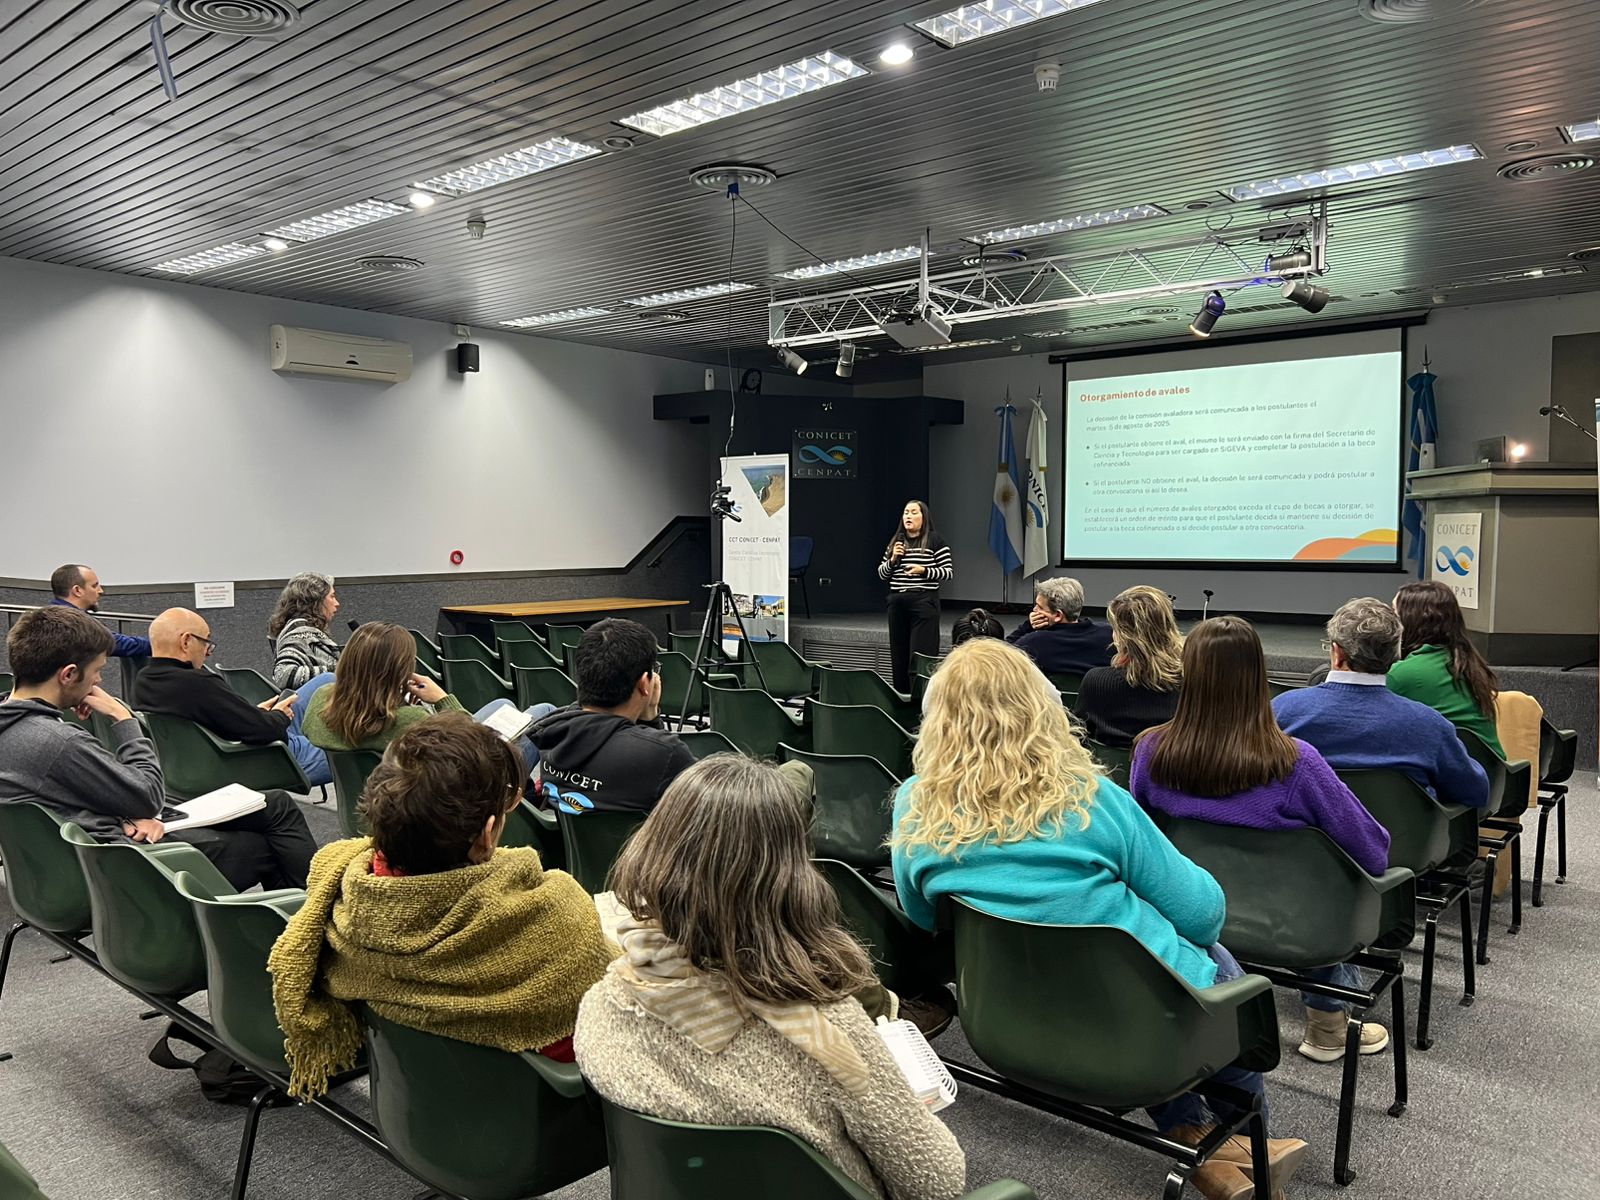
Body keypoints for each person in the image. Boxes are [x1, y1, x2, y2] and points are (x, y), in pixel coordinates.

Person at [891, 638, 1306, 1200]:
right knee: (1213, 962)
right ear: (1041, 708)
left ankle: (1195, 1133)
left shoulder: (915, 804)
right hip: (1132, 1023)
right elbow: (1205, 915)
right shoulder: (1093, 800)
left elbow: (923, 916)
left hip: (1004, 1018)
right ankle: (1245, 1139)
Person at [577, 754, 967, 1200]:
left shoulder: (603, 1006)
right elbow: (938, 1182)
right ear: (793, 878)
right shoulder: (830, 1038)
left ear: (652, 849)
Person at [269, 713, 615, 1100]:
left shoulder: (344, 899)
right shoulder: (558, 916)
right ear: (487, 836)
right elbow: (601, 1026)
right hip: (544, 1112)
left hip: (415, 1106)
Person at [1131, 616, 1393, 1067]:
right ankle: (1327, 1022)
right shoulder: (1297, 762)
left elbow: (1143, 842)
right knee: (1324, 880)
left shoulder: (1149, 750)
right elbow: (1372, 850)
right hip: (1292, 929)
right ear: (1258, 676)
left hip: (1188, 915)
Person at [0, 605, 317, 891]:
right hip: (123, 872)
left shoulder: (14, 728)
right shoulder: (58, 742)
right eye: (97, 671)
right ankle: (310, 921)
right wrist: (123, 718)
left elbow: (60, 801)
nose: (98, 682)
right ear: (69, 675)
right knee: (267, 844)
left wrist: (125, 816)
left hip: (55, 876)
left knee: (269, 819)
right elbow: (148, 797)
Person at [1273, 598, 1489, 809]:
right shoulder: (1429, 725)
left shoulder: (1281, 712)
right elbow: (1475, 792)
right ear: (1395, 654)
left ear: (1337, 653)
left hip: (1309, 833)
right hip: (1403, 834)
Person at [303, 621, 546, 776]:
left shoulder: (321, 699)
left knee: (504, 705)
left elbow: (330, 726)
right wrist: (442, 699)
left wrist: (398, 702)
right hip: (456, 791)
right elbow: (472, 744)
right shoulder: (410, 720)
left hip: (373, 801)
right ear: (400, 671)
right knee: (542, 712)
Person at [134, 608, 333, 788]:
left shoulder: (144, 681)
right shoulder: (198, 683)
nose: (208, 652)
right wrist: (280, 716)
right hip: (270, 755)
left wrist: (260, 712)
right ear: (186, 641)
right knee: (350, 745)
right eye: (206, 642)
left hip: (226, 750)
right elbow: (263, 731)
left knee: (327, 679)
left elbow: (225, 719)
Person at [529, 618, 696, 815]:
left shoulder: (551, 731)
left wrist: (648, 719)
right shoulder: (667, 753)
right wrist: (652, 718)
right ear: (645, 684)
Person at [1388, 581, 1504, 757]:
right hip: (1491, 768)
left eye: (1394, 614)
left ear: (1410, 621)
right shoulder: (1465, 662)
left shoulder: (1405, 673)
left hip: (1455, 769)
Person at [1074, 585, 1184, 746]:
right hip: (1170, 762)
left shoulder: (1096, 681)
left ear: (1121, 637)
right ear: (1168, 628)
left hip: (1106, 763)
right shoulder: (1190, 681)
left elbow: (1079, 735)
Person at [877, 500, 953, 694]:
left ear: (923, 517)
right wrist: (893, 559)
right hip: (897, 604)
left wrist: (924, 570)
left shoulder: (935, 540)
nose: (908, 516)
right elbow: (882, 574)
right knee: (899, 655)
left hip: (923, 602)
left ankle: (921, 698)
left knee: (920, 655)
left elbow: (947, 572)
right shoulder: (896, 542)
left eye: (913, 512)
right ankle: (902, 696)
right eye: (906, 513)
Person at [1005, 576, 1114, 677]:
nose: (1034, 610)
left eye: (1039, 607)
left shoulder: (1034, 642)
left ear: (1058, 615)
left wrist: (1028, 625)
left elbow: (1001, 654)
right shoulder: (1110, 634)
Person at [49, 563, 150, 657]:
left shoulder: (49, 617)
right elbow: (120, 644)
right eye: (94, 586)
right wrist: (157, 643)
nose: (101, 591)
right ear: (77, 590)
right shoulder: (75, 624)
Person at [268, 572, 341, 689]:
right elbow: (284, 675)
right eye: (332, 596)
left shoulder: (302, 630)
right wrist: (341, 670)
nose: (337, 603)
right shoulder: (300, 634)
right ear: (316, 601)